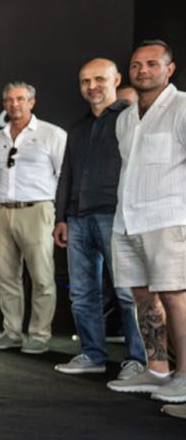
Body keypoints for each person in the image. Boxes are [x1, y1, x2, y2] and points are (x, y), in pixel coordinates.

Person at [51, 59, 145, 378]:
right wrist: (61, 217)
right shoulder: (77, 129)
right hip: (77, 219)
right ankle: (92, 354)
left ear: (116, 79)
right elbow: (67, 174)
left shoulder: (132, 119)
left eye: (99, 79)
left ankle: (138, 360)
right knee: (82, 292)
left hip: (116, 215)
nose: (92, 86)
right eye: (85, 81)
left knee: (127, 292)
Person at [106, 40, 186, 404]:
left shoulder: (182, 107)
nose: (142, 70)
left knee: (174, 296)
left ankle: (184, 375)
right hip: (127, 219)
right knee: (141, 295)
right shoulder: (124, 117)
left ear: (169, 70)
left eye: (152, 64)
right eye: (136, 64)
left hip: (168, 218)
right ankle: (157, 371)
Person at [0, 82, 67, 355]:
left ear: (32, 102)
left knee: (42, 277)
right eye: (8, 99)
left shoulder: (52, 134)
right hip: (2, 210)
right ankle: (12, 332)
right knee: (7, 277)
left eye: (20, 99)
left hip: (38, 209)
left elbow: (63, 177)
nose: (14, 104)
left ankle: (39, 335)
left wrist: (57, 212)